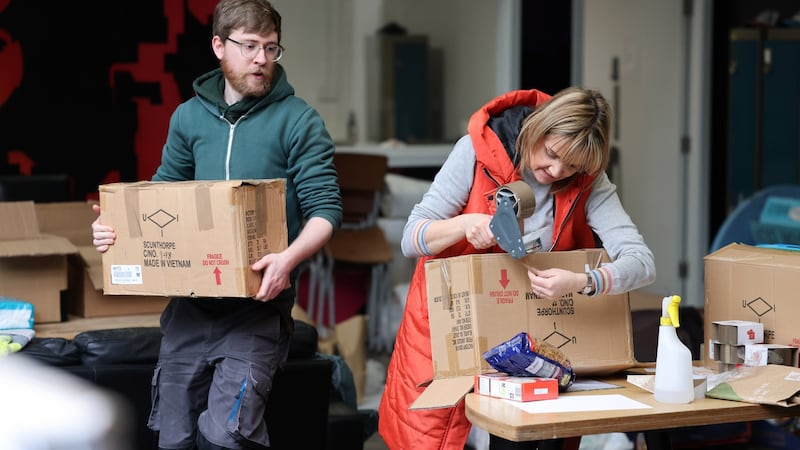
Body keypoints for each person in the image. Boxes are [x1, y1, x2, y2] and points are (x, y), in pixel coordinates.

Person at [91, 1, 342, 449]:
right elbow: (163, 199)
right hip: (189, 309)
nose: (261, 59)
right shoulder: (188, 118)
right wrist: (118, 231)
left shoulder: (298, 120)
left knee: (226, 435)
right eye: (249, 46)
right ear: (218, 46)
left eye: (271, 48)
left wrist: (287, 260)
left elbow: (326, 211)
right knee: (174, 438)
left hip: (258, 310)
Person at [377, 87, 656, 450]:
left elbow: (642, 262)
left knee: (535, 436)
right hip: (457, 325)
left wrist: (583, 280)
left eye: (571, 166)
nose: (555, 171)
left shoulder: (589, 181)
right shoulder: (475, 153)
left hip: (534, 338)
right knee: (434, 435)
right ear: (538, 128)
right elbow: (411, 237)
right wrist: (464, 225)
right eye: (552, 153)